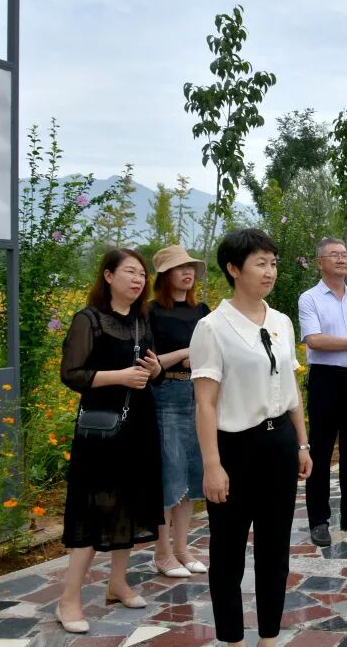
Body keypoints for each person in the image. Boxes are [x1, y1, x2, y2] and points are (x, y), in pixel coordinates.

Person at [191, 229, 312, 647]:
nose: (270, 271)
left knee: (275, 548)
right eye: (260, 263)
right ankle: (232, 639)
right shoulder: (212, 327)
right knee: (227, 550)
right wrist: (212, 465)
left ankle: (269, 636)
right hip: (235, 449)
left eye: (273, 263)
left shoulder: (281, 321)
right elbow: (205, 402)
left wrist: (302, 442)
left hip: (279, 444)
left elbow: (291, 389)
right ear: (233, 268)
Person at [57, 249, 164, 633]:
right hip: (103, 429)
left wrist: (155, 369)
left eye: (142, 275)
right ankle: (68, 600)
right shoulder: (89, 319)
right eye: (130, 272)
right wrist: (119, 376)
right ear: (108, 276)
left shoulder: (141, 319)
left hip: (140, 424)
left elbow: (150, 369)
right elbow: (71, 373)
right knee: (94, 510)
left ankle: (118, 584)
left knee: (131, 502)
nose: (138, 280)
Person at [299, 237, 347, 547]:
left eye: (344, 254)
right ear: (320, 262)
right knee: (320, 451)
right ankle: (319, 520)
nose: (341, 259)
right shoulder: (310, 299)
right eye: (334, 255)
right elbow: (314, 340)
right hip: (326, 380)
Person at [149, 245, 211, 579]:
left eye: (190, 268)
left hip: (199, 392)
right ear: (165, 275)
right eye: (179, 268)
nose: (187, 273)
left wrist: (190, 357)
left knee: (191, 473)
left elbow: (212, 352)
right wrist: (187, 352)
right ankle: (162, 552)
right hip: (167, 395)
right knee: (170, 475)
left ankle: (183, 549)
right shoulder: (151, 312)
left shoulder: (202, 310)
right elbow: (151, 363)